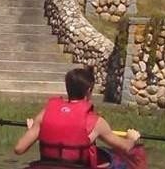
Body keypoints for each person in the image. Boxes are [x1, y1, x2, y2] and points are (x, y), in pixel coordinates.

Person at [14, 67, 147, 169]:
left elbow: (19, 149)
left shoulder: (44, 114)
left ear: (67, 88)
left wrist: (34, 130)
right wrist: (131, 138)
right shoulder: (96, 122)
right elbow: (125, 147)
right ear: (89, 90)